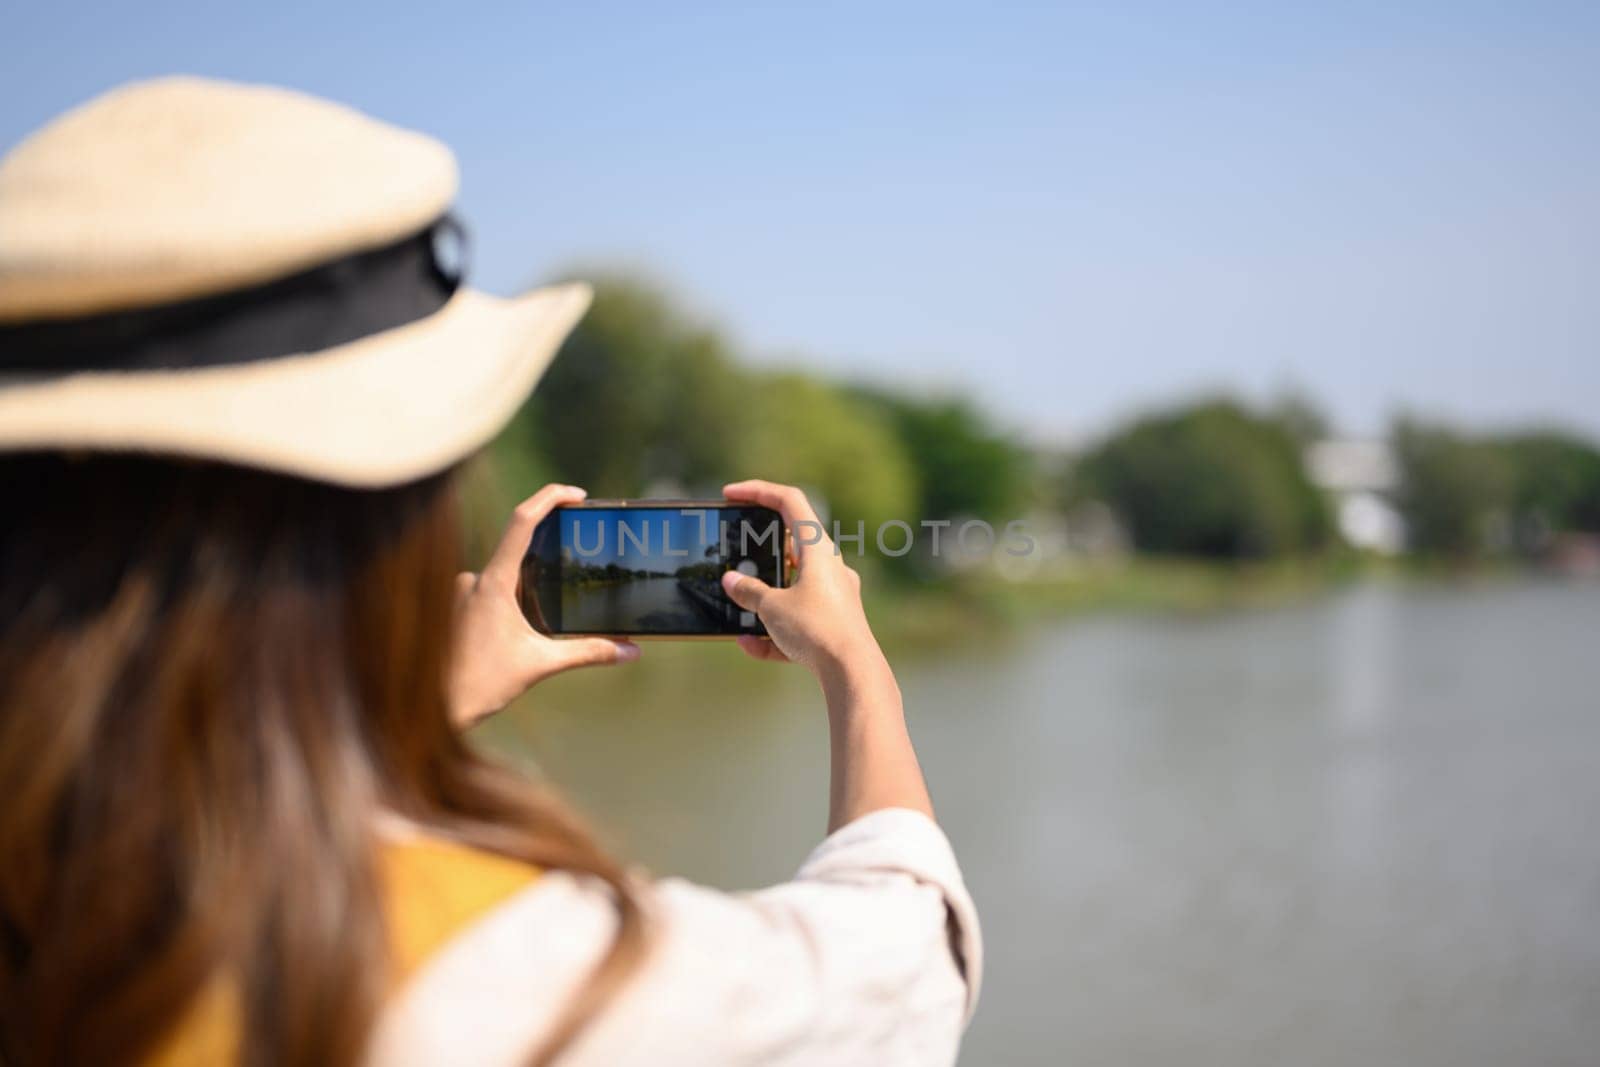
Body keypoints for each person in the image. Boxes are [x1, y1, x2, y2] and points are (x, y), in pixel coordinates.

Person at [0, 78, 980, 1066]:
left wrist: (410, 715)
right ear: (400, 507)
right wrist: (854, 659)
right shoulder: (513, 972)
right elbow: (909, 956)